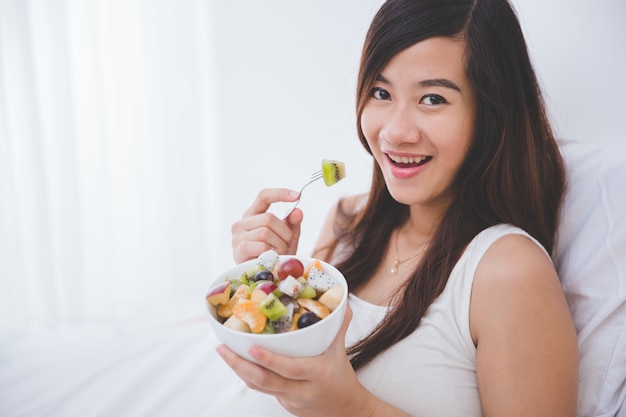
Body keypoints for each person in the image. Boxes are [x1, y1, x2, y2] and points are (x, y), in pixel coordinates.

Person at [219, 0, 579, 415]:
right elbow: (292, 380)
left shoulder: (509, 272)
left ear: (491, 114)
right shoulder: (345, 224)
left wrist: (355, 407)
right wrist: (266, 284)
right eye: (381, 92)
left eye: (432, 99)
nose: (394, 131)